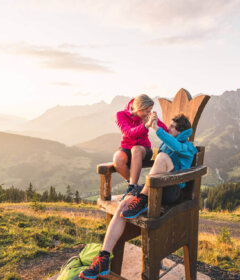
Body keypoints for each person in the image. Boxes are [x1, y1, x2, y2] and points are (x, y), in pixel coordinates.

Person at [79, 113, 196, 279]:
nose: (168, 129)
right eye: (168, 126)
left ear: (181, 131)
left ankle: (141, 199)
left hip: (171, 190)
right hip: (151, 189)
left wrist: (157, 129)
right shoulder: (167, 143)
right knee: (122, 206)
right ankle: (103, 258)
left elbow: (177, 147)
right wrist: (149, 120)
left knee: (162, 156)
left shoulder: (188, 146)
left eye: (172, 128)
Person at [113, 94, 167, 200]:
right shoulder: (121, 115)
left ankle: (132, 187)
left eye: (150, 111)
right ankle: (134, 186)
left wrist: (155, 122)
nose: (149, 113)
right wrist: (145, 125)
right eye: (147, 111)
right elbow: (128, 133)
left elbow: (165, 129)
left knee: (136, 149)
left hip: (143, 149)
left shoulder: (146, 116)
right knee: (118, 160)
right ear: (139, 109)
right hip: (126, 147)